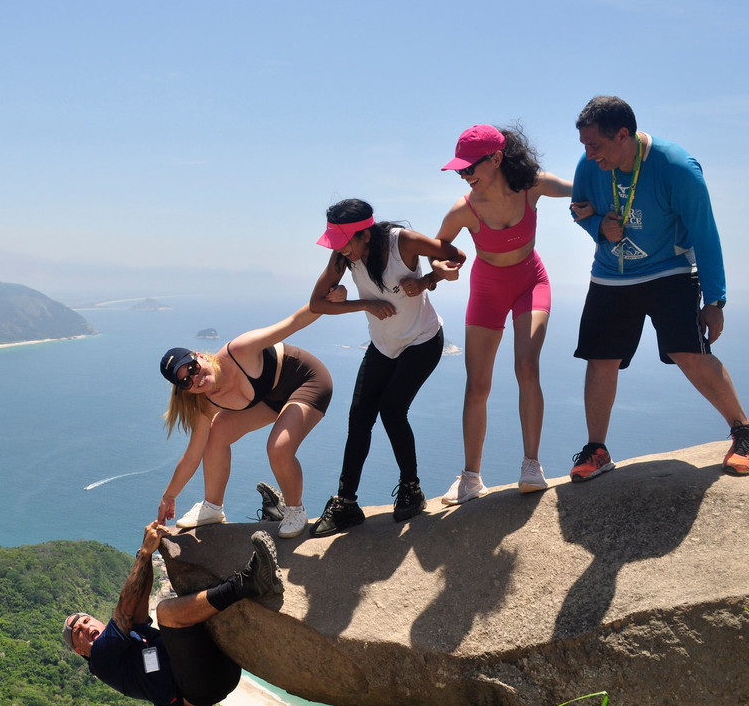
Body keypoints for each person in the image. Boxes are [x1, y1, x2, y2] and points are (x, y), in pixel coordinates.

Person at [568, 95, 749, 479]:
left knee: (688, 351)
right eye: (584, 145)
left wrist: (715, 300)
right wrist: (597, 225)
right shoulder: (589, 165)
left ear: (622, 135)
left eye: (595, 145)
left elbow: (705, 233)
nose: (588, 154)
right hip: (610, 274)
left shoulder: (677, 167)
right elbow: (578, 208)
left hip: (669, 270)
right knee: (601, 358)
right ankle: (596, 450)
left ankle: (743, 431)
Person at [306, 199, 467, 536]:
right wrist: (364, 303)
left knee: (392, 410)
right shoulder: (343, 256)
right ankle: (346, 503)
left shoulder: (402, 242)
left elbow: (457, 255)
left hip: (423, 341)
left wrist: (425, 281)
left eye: (344, 240)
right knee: (359, 417)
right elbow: (316, 303)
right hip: (383, 346)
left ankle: (411, 489)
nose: (338, 248)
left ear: (365, 234)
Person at [434, 124, 575, 504]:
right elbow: (438, 249)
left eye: (469, 168)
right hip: (487, 290)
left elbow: (581, 188)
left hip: (531, 281)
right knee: (477, 385)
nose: (464, 176)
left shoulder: (533, 186)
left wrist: (597, 205)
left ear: (496, 158)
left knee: (526, 366)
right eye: (460, 170)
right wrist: (442, 268)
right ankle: (471, 478)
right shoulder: (464, 209)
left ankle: (532, 466)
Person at [62, 521, 282, 706]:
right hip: (200, 689)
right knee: (166, 611)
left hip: (217, 669)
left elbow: (139, 601)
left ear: (98, 621)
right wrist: (146, 553)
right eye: (78, 632)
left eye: (86, 620)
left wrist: (144, 553)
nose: (86, 628)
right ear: (81, 651)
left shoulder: (127, 639)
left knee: (193, 597)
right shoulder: (100, 659)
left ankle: (273, 526)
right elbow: (125, 610)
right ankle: (249, 583)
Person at [158, 306, 332, 538]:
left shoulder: (238, 351)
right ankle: (213, 507)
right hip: (269, 396)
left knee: (278, 448)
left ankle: (295, 510)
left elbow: (294, 321)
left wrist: (325, 301)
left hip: (305, 380)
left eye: (192, 368)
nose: (195, 378)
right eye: (186, 381)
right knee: (215, 433)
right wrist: (168, 496)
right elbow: (192, 455)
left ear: (199, 356)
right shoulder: (205, 403)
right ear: (184, 391)